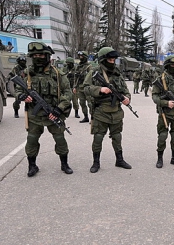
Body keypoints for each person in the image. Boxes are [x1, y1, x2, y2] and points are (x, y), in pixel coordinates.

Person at [15, 42, 73, 177]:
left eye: (41, 54)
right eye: (35, 55)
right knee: (32, 140)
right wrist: (22, 96)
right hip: (34, 116)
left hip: (53, 113)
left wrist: (59, 109)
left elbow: (67, 92)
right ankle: (32, 165)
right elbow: (17, 89)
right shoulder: (27, 73)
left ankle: (64, 164)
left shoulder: (58, 73)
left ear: (47, 56)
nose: (38, 57)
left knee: (60, 140)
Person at [83, 47, 133, 173]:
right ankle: (96, 163)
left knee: (117, 136)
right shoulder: (94, 72)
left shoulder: (117, 73)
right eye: (110, 60)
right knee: (98, 137)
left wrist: (127, 98)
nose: (112, 62)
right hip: (101, 112)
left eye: (114, 60)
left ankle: (119, 160)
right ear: (103, 60)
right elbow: (86, 88)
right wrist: (99, 90)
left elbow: (125, 90)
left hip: (116, 111)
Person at [74, 51, 91, 123]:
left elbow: (92, 77)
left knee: (90, 103)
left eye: (82, 56)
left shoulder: (89, 66)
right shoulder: (78, 66)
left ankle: (93, 117)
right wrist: (74, 87)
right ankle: (86, 117)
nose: (80, 58)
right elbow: (76, 78)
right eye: (79, 56)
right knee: (82, 103)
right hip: (80, 88)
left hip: (87, 87)